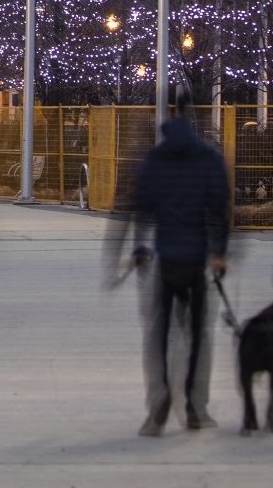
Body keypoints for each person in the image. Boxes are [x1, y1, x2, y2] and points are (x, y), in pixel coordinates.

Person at [107, 96, 229, 437]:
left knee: (157, 334)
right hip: (196, 259)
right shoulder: (209, 159)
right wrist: (218, 253)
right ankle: (195, 406)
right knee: (199, 335)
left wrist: (138, 248)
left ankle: (158, 402)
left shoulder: (155, 159)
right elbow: (220, 210)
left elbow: (140, 209)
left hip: (164, 258)